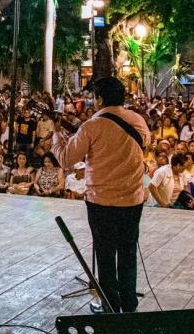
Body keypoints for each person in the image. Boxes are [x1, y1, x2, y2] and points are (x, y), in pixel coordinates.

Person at [56, 77, 151, 314]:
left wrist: (57, 135)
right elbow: (145, 145)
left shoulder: (92, 125)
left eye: (93, 97)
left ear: (99, 98)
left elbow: (67, 159)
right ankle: (129, 306)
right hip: (132, 199)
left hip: (102, 202)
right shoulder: (138, 120)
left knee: (105, 255)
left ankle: (110, 307)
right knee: (128, 254)